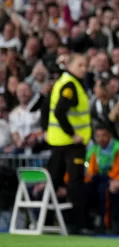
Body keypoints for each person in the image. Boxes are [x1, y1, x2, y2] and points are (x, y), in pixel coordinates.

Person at [45, 53, 91, 233]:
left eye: (85, 65)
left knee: (54, 182)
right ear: (70, 66)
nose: (84, 69)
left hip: (57, 142)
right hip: (71, 144)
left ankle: (46, 220)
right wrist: (73, 134)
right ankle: (75, 224)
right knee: (75, 183)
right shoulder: (70, 85)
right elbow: (59, 111)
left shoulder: (64, 82)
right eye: (80, 65)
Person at [83, 124, 119, 233]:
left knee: (105, 190)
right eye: (97, 136)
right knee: (84, 189)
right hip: (101, 178)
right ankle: (87, 223)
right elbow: (91, 170)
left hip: (116, 180)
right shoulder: (95, 149)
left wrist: (115, 181)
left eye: (104, 135)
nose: (100, 139)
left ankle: (108, 223)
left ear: (110, 136)